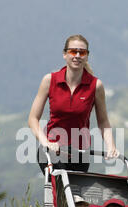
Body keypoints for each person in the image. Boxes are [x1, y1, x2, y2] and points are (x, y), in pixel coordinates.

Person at [28, 34, 119, 174]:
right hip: (52, 150)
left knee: (74, 194)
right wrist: (45, 142)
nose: (77, 55)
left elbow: (103, 122)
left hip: (80, 153)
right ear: (65, 54)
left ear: (87, 56)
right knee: (63, 187)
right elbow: (33, 119)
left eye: (82, 52)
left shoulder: (96, 86)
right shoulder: (49, 80)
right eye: (72, 51)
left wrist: (111, 146)